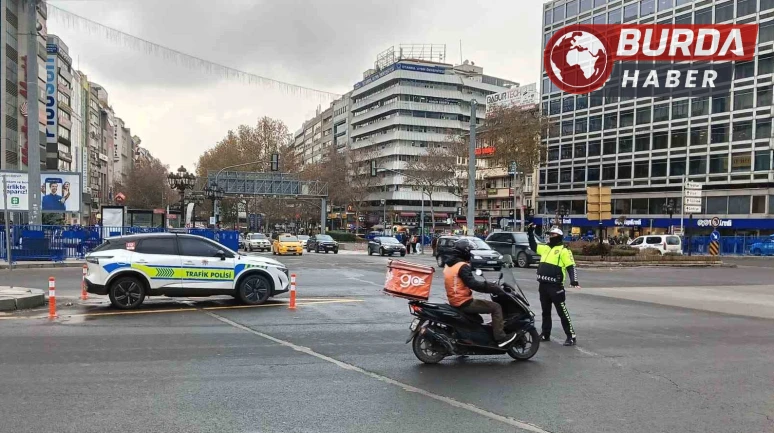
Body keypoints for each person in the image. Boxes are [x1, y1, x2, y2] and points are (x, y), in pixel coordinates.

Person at [443, 238, 517, 348]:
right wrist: (491, 287)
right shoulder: (462, 266)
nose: (470, 254)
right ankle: (500, 338)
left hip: (455, 300)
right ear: (464, 252)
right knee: (496, 307)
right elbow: (473, 284)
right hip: (464, 302)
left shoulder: (449, 265)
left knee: (479, 319)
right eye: (469, 252)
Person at [527, 224, 580, 346]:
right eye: (549, 235)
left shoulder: (564, 250)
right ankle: (546, 334)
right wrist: (530, 233)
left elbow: (571, 266)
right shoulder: (545, 248)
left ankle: (571, 336)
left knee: (562, 312)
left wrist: (574, 280)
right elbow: (533, 246)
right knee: (545, 312)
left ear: (559, 236)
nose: (550, 237)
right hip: (543, 285)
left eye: (553, 235)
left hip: (556, 286)